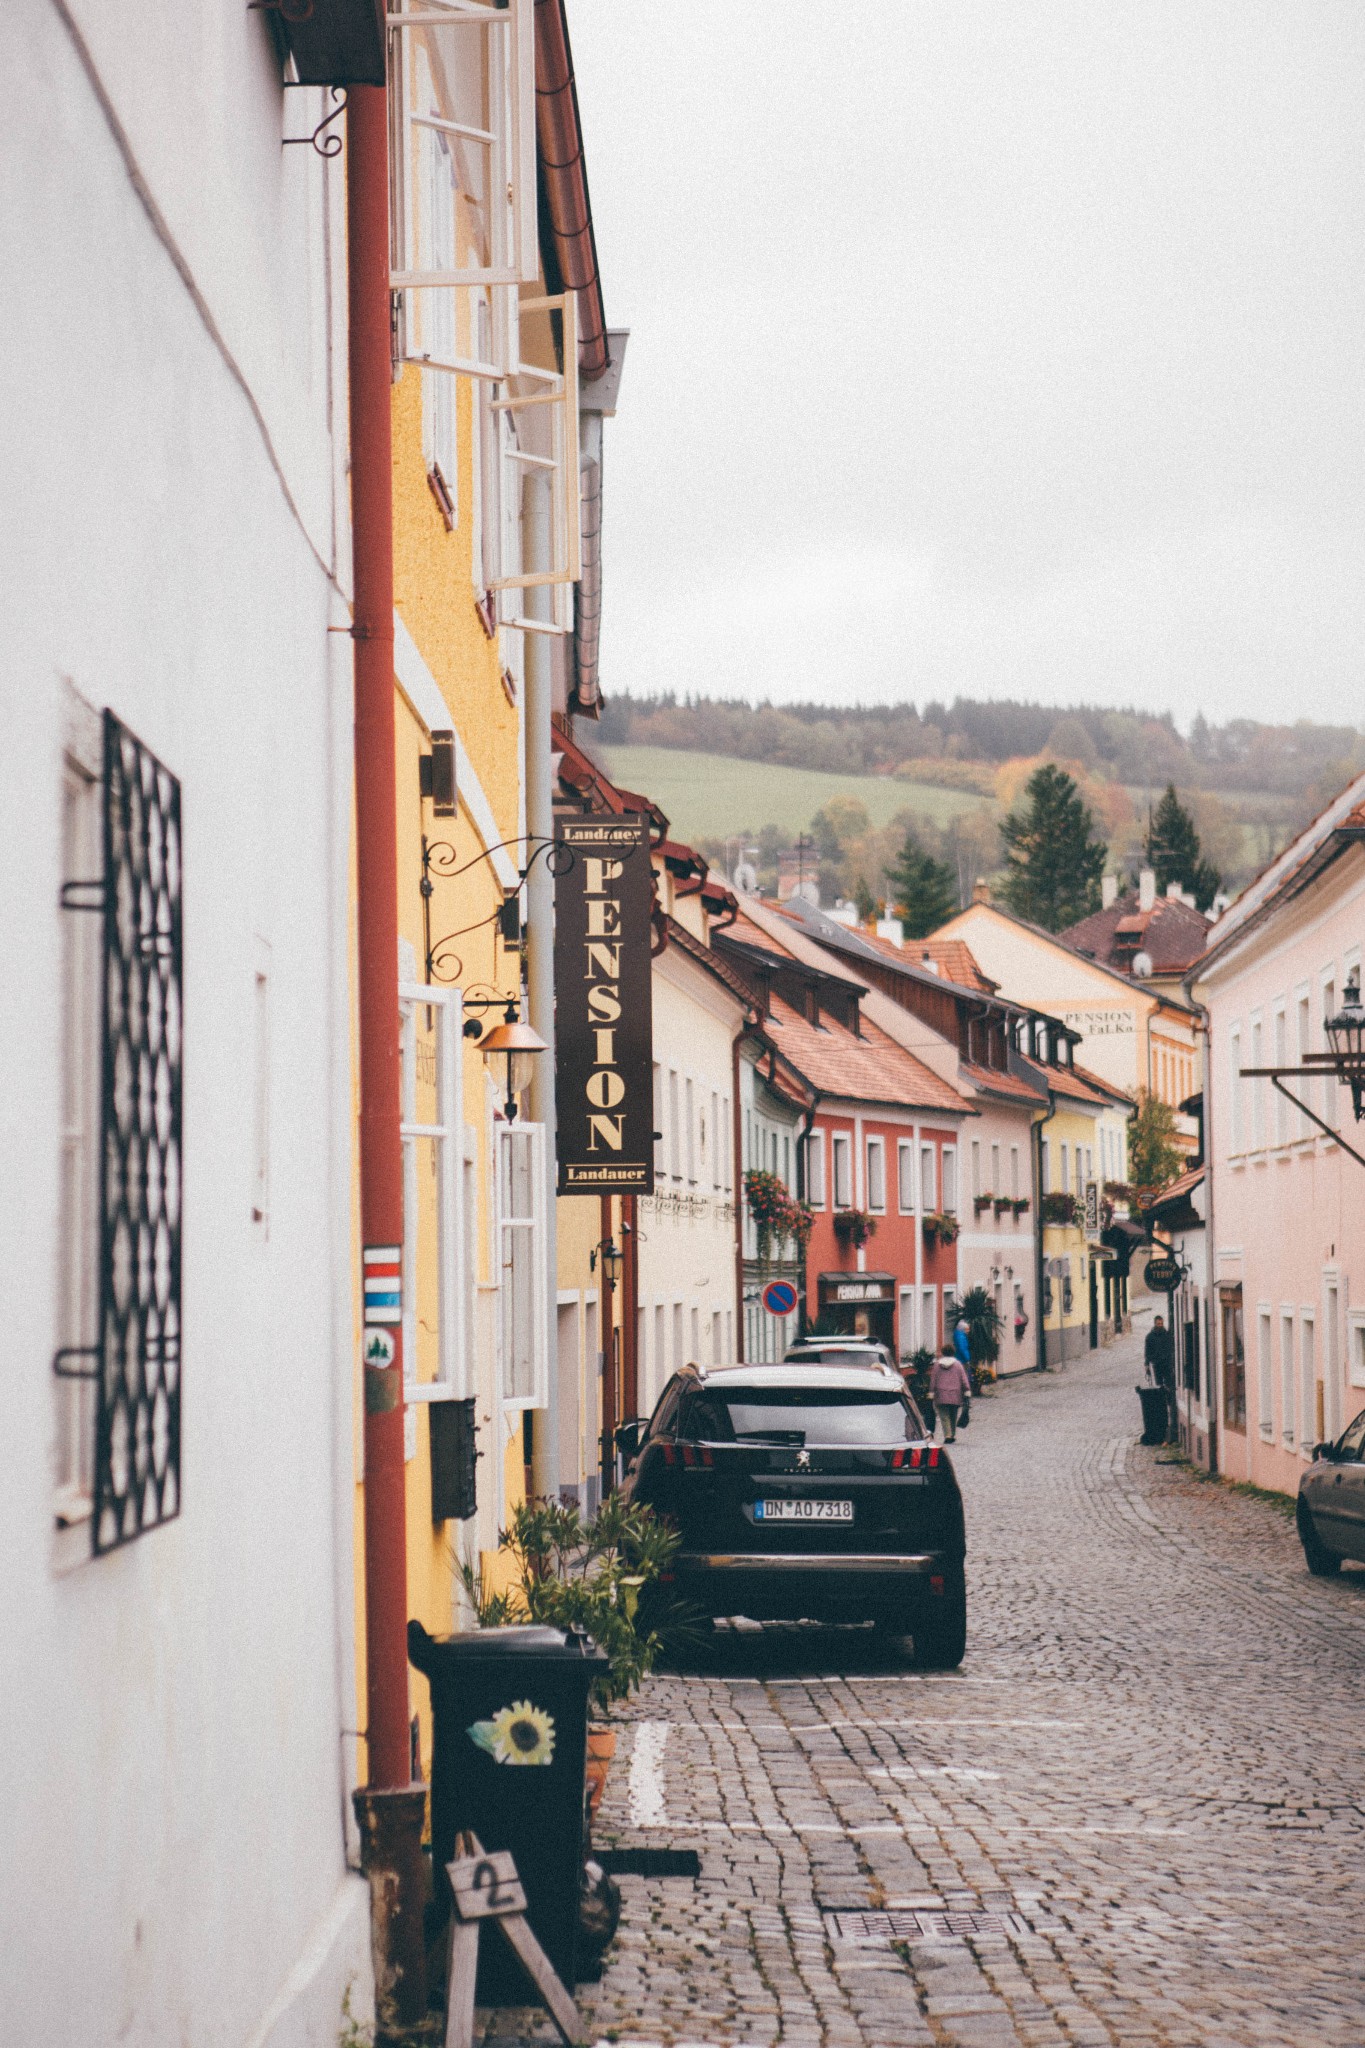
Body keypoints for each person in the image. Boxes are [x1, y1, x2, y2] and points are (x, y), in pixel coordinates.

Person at [929, 1346, 972, 1443]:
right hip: (955, 1394)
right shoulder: (958, 1365)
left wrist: (931, 1392)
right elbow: (963, 1379)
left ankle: (947, 1435)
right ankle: (952, 1435)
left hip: (941, 1394)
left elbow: (933, 1380)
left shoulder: (937, 1365)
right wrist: (967, 1390)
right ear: (953, 1352)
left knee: (944, 1416)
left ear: (943, 1352)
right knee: (953, 1415)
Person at [1144, 1314, 1176, 1442]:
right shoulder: (1150, 1337)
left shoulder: (1167, 1335)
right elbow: (1147, 1351)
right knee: (1159, 1385)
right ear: (1155, 1324)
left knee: (1168, 1384)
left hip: (1167, 1364)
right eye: (1158, 1324)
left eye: (1161, 1323)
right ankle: (1162, 1403)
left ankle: (1169, 1401)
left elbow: (1172, 1348)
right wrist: (1147, 1364)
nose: (1160, 1325)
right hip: (1156, 1364)